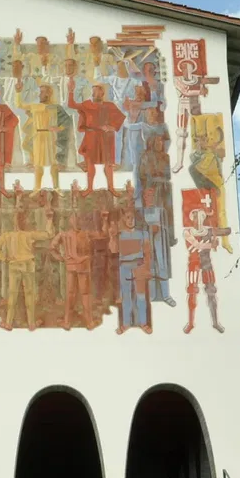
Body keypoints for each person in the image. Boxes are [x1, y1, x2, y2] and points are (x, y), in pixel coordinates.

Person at [0, 213, 52, 330]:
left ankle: (8, 323)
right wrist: (49, 220)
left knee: (13, 295)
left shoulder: (7, 236)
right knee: (29, 294)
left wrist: (4, 258)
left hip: (14, 266)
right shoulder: (29, 235)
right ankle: (31, 324)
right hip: (28, 265)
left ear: (14, 223)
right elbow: (48, 234)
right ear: (24, 223)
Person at [184, 205, 232, 333]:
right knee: (192, 291)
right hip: (194, 264)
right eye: (195, 216)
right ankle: (190, 323)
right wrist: (211, 244)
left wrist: (223, 226)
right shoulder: (187, 232)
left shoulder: (209, 231)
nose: (197, 219)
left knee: (211, 292)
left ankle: (215, 322)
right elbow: (196, 245)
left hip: (206, 263)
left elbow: (225, 231)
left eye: (199, 216)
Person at [49, 211, 97, 329]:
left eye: (78, 219)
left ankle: (67, 322)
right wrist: (59, 257)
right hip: (81, 266)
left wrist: (60, 257)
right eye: (75, 219)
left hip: (73, 266)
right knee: (83, 294)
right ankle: (88, 322)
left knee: (73, 294)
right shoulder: (82, 234)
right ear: (71, 221)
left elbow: (52, 247)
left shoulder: (67, 234)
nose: (77, 221)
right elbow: (52, 247)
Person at [73, 83, 125, 192]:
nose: (93, 93)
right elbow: (71, 104)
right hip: (91, 137)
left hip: (107, 138)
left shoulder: (109, 105)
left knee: (108, 164)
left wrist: (112, 127)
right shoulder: (86, 105)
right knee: (90, 163)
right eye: (93, 91)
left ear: (102, 92)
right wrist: (70, 91)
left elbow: (120, 117)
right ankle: (90, 188)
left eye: (96, 91)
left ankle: (111, 187)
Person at [111, 203, 153, 334]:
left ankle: (143, 323)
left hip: (139, 267)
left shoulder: (143, 234)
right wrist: (112, 236)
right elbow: (113, 250)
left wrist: (146, 268)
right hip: (124, 267)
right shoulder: (120, 235)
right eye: (128, 217)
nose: (131, 220)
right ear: (124, 219)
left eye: (133, 218)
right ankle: (126, 324)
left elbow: (147, 252)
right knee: (126, 296)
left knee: (141, 296)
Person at [24, 84, 63, 192]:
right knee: (38, 164)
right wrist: (18, 92)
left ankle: (56, 187)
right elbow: (19, 105)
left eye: (42, 92)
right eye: (39, 91)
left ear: (48, 94)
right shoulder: (35, 106)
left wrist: (59, 128)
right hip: (38, 137)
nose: (39, 94)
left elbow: (66, 121)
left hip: (51, 136)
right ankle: (37, 188)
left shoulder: (55, 107)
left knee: (54, 163)